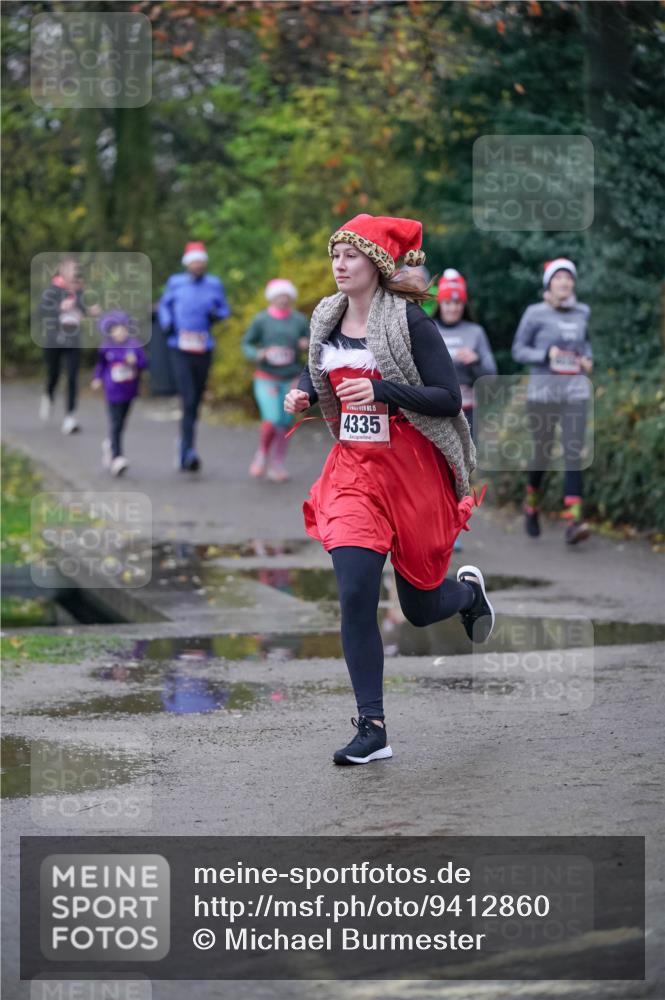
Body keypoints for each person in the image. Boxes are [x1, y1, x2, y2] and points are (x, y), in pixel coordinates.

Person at [284, 213, 495, 766]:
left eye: (350, 256)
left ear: (375, 264)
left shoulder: (409, 323)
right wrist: (303, 392)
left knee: (421, 606)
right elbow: (318, 369)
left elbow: (448, 397)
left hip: (414, 473)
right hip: (354, 473)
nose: (338, 265)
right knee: (354, 593)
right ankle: (372, 727)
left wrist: (382, 389)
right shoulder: (326, 319)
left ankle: (467, 595)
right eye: (334, 256)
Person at [511, 257, 593, 545]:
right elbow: (518, 350)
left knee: (574, 451)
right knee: (542, 452)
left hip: (575, 392)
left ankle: (574, 520)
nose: (564, 283)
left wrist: (587, 360)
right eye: (558, 278)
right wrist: (545, 356)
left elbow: (586, 345)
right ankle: (532, 502)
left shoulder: (583, 311)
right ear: (549, 283)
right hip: (543, 393)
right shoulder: (535, 313)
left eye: (568, 278)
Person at [158, 241, 231, 471]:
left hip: (203, 347)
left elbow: (224, 309)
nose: (198, 264)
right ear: (188, 264)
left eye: (201, 261)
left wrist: (215, 314)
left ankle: (184, 444)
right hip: (179, 348)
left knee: (195, 401)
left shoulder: (214, 284)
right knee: (188, 398)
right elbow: (164, 306)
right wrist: (168, 324)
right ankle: (188, 451)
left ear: (204, 263)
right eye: (194, 261)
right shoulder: (176, 283)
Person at [241, 279, 310, 482]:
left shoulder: (298, 320)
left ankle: (277, 463)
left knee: (286, 422)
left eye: (286, 296)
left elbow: (312, 341)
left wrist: (305, 343)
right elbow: (247, 343)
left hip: (290, 377)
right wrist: (257, 353)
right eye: (279, 296)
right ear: (272, 298)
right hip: (266, 377)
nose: (283, 300)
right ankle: (262, 454)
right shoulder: (261, 320)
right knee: (271, 419)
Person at [434, 269, 497, 438]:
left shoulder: (476, 332)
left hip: (469, 412)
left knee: (468, 462)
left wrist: (475, 362)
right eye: (448, 302)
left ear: (464, 305)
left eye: (457, 303)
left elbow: (492, 376)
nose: (453, 308)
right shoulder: (429, 329)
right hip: (436, 412)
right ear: (440, 303)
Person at [38, 257, 95, 434]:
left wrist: (92, 311)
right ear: (61, 270)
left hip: (73, 340)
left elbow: (85, 310)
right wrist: (60, 308)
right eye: (71, 269)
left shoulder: (79, 290)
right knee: (53, 374)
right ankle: (48, 395)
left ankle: (70, 417)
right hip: (54, 340)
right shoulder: (52, 290)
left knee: (72, 377)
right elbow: (42, 312)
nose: (74, 273)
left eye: (76, 269)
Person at [91, 310, 148, 476]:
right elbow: (100, 366)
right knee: (115, 422)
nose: (120, 332)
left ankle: (110, 445)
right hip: (112, 391)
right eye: (116, 329)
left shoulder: (134, 346)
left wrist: (136, 362)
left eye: (124, 329)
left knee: (122, 422)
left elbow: (145, 364)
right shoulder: (106, 348)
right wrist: (97, 379)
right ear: (110, 331)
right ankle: (117, 457)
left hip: (129, 392)